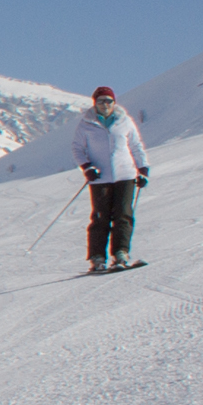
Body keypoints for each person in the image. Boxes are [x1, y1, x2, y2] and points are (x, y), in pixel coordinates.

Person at [73, 86, 150, 270]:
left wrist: (143, 169)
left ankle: (121, 254)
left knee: (124, 215)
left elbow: (136, 145)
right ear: (95, 103)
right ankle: (98, 258)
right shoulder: (86, 124)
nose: (105, 104)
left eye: (108, 101)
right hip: (100, 178)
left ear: (114, 103)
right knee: (101, 217)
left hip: (126, 175)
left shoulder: (124, 121)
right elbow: (77, 148)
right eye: (101, 101)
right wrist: (87, 167)